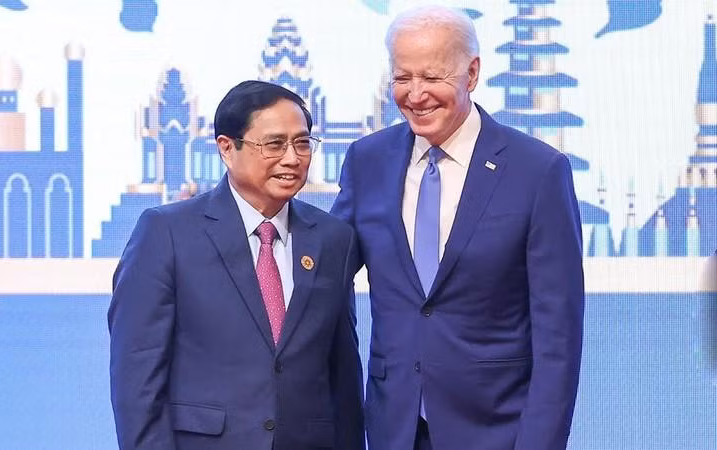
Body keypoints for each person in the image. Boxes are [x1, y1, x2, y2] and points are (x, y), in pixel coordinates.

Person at [330, 5, 585, 450]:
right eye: (402, 77)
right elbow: (326, 272)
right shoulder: (367, 161)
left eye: (432, 77)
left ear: (472, 73)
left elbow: (558, 337)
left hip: (496, 430)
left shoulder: (537, 171)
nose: (415, 94)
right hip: (394, 429)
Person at [109, 80, 364, 450]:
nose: (292, 158)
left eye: (302, 143)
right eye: (274, 144)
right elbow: (137, 377)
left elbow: (343, 377)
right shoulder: (167, 233)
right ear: (227, 148)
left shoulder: (333, 239)